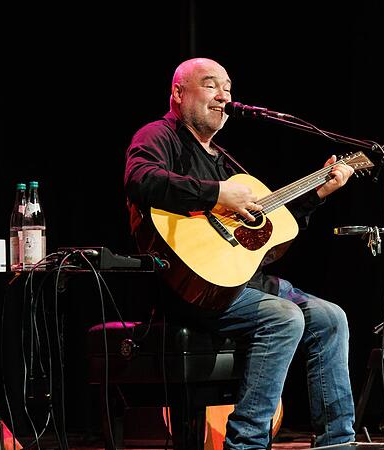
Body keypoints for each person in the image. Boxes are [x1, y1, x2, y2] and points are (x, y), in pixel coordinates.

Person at [124, 57, 356, 449]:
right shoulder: (158, 136)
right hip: (191, 290)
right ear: (179, 94)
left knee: (331, 317)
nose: (223, 96)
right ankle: (245, 443)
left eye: (228, 89)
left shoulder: (227, 161)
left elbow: (272, 223)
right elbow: (141, 180)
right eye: (212, 85)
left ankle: (336, 442)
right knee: (284, 318)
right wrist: (216, 194)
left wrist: (319, 192)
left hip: (246, 283)